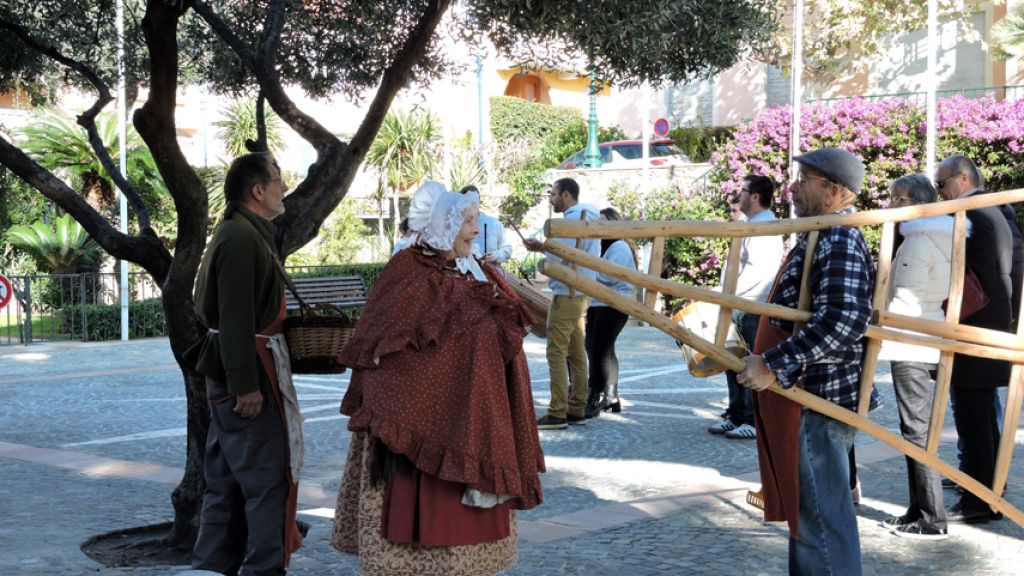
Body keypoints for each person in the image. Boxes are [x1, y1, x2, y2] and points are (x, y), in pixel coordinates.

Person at [330, 181, 545, 576]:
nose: (475, 230)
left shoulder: (472, 273)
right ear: (443, 224)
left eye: (476, 221)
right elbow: (384, 347)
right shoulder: (408, 271)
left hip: (473, 420)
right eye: (467, 221)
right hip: (416, 428)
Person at [737, 148, 879, 575]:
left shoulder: (838, 237)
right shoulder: (821, 232)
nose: (792, 187)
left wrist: (774, 362)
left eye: (804, 179)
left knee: (820, 518)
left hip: (818, 397)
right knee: (812, 515)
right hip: (808, 394)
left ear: (834, 191)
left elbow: (844, 320)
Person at [186, 152, 303, 575]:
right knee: (264, 482)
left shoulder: (245, 232)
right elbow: (234, 318)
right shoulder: (240, 238)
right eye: (278, 179)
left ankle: (212, 568)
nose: (284, 187)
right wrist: (245, 385)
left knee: (228, 482)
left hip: (241, 366)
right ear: (258, 191)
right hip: (246, 372)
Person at [935, 155, 1015, 524]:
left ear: (962, 179)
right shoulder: (996, 210)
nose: (940, 193)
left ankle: (979, 501)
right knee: (982, 417)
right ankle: (988, 488)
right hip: (992, 326)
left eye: (942, 184)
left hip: (974, 328)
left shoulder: (974, 214)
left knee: (973, 417)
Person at [876, 174, 956, 539]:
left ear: (918, 203)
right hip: (930, 332)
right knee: (919, 431)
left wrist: (882, 325)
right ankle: (919, 508)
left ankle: (931, 517)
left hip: (912, 338)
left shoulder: (919, 240)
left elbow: (905, 300)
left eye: (899, 199)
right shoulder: (941, 235)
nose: (892, 205)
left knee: (916, 432)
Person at [709, 175, 783, 440]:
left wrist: (731, 296)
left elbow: (760, 272)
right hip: (741, 302)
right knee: (733, 359)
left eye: (743, 191)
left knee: (748, 362)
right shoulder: (752, 224)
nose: (738, 195)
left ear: (755, 196)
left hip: (752, 304)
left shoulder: (764, 228)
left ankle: (751, 418)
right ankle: (737, 413)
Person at [524, 177, 601, 430]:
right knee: (576, 353)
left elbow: (561, 254)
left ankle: (558, 411)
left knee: (556, 352)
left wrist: (542, 248)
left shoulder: (570, 221)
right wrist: (542, 247)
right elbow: (563, 251)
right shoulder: (591, 216)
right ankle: (576, 407)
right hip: (582, 292)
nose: (552, 199)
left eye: (555, 194)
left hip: (567, 293)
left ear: (567, 195)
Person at [584, 207, 637, 418]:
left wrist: (587, 269)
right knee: (602, 350)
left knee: (598, 351)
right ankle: (611, 396)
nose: (600, 226)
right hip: (599, 305)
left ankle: (594, 396)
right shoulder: (603, 246)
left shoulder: (619, 247)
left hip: (613, 306)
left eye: (604, 222)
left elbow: (611, 276)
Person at [460, 185, 514, 265]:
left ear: (479, 201)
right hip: (464, 273)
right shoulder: (456, 225)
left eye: (474, 201)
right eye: (467, 201)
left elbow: (507, 248)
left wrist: (496, 255)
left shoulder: (493, 223)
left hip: (490, 272)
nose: (471, 205)